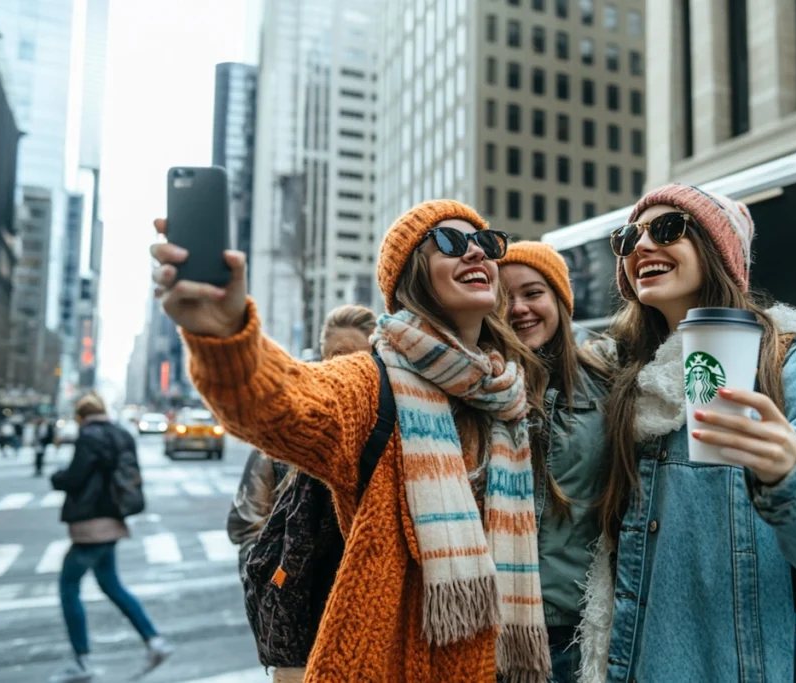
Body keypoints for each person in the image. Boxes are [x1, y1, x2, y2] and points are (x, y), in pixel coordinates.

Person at [152, 200, 553, 682]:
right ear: (410, 278)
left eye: (486, 243)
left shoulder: (508, 394)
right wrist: (226, 335)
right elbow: (278, 403)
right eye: (450, 242)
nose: (475, 254)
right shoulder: (371, 383)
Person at [577, 185, 796, 682]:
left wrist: (791, 472)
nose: (640, 247)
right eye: (627, 237)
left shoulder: (790, 365)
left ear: (717, 250)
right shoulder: (621, 380)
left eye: (667, 229)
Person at [499, 242, 610, 683]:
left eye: (533, 293)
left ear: (561, 302)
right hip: (491, 629)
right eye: (504, 298)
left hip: (572, 634)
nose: (520, 308)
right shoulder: (474, 389)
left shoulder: (609, 390)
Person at [227, 303, 378, 567]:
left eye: (358, 359)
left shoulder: (387, 430)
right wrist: (269, 590)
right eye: (337, 355)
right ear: (323, 358)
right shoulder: (286, 428)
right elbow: (248, 524)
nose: (345, 368)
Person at [47, 394, 171, 683]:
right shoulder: (121, 434)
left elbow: (76, 477)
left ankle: (81, 660)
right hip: (114, 518)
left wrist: (57, 478)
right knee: (110, 584)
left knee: (69, 586)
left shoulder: (89, 436)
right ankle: (154, 642)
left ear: (81, 417)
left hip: (92, 523)